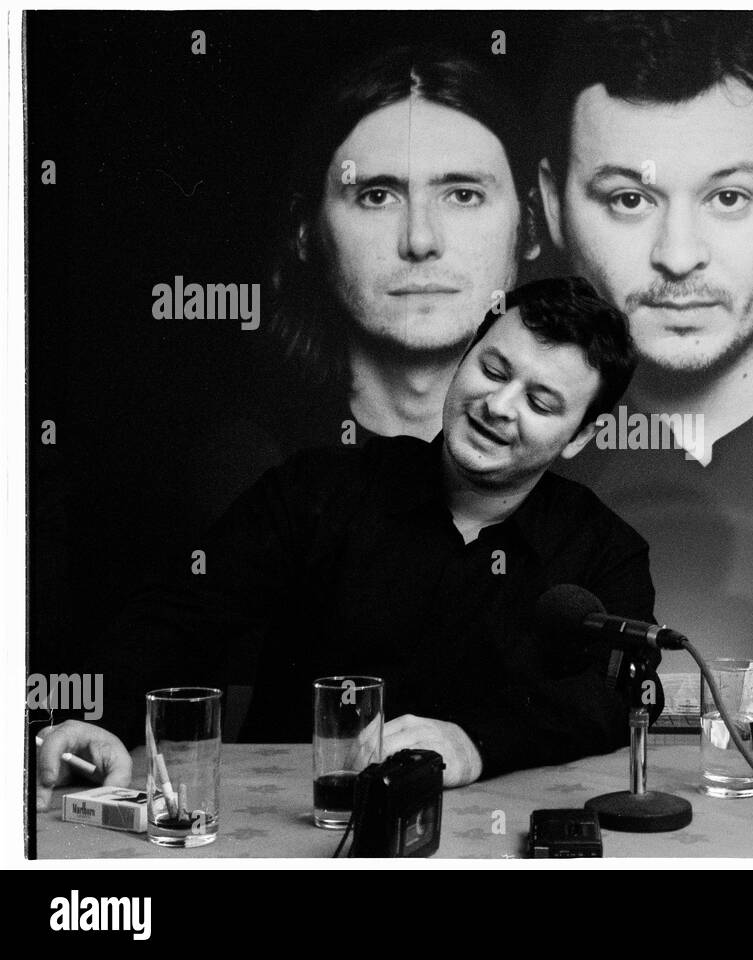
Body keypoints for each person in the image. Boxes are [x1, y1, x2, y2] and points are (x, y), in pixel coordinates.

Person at [34, 277, 649, 807]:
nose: (498, 405)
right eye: (492, 369)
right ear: (464, 359)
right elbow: (177, 615)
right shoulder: (318, 491)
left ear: (579, 437)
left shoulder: (605, 551)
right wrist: (100, 722)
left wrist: (475, 744)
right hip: (292, 821)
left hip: (493, 838)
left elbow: (611, 699)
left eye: (541, 402)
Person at [537, 11, 753, 660]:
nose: (678, 256)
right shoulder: (502, 464)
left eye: (728, 197)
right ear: (552, 203)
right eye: (629, 200)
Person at [191, 43, 541, 523]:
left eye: (463, 195)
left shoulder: (607, 461)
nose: (420, 240)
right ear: (304, 232)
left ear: (533, 225)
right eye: (377, 196)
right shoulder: (251, 471)